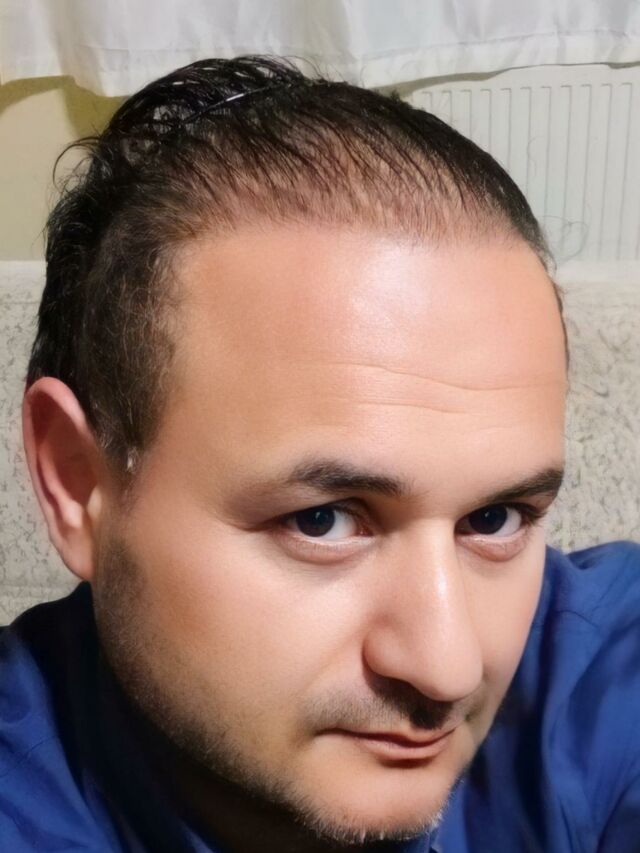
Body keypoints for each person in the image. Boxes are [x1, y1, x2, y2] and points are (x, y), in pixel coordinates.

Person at [1, 55, 638, 853]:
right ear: (77, 484)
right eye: (324, 520)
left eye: (494, 518)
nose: (447, 666)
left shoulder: (599, 676)